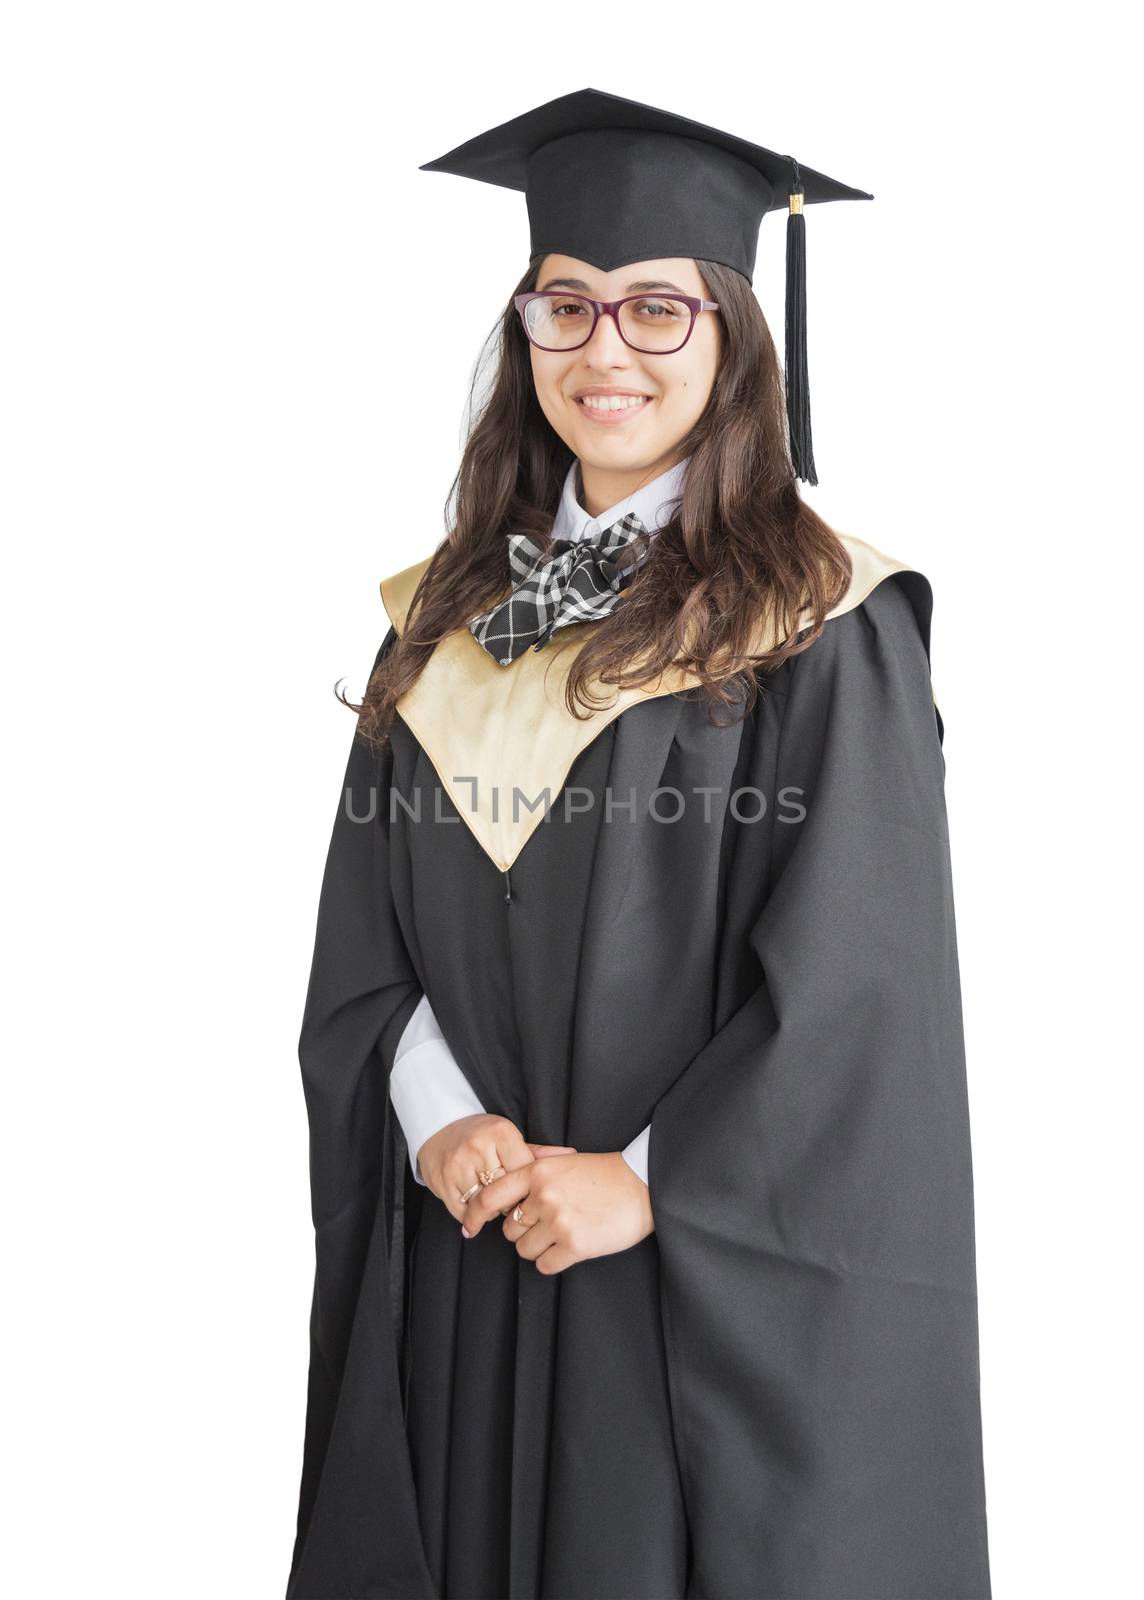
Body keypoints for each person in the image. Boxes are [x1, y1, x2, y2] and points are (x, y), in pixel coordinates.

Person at [285, 88, 992, 1600]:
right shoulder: (446, 626)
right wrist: (436, 1121)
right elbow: (369, 942)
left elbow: (860, 994)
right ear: (524, 328)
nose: (606, 350)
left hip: (684, 1286)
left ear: (736, 334)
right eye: (568, 306)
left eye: (658, 310)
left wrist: (650, 1182)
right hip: (471, 1260)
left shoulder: (823, 625)